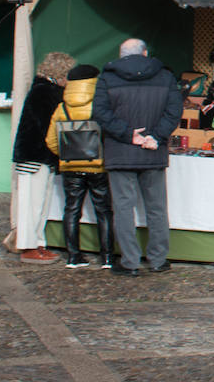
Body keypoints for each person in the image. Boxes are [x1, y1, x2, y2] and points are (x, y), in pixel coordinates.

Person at [92, 39, 183, 277]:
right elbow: (174, 111)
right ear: (145, 53)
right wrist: (156, 136)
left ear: (121, 55)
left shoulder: (107, 77)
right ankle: (158, 260)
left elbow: (100, 112)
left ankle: (130, 262)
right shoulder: (164, 76)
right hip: (153, 152)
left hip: (120, 152)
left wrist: (128, 135)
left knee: (123, 208)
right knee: (157, 208)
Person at [45, 65, 116, 269]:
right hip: (98, 167)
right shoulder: (101, 105)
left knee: (72, 209)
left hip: (69, 168)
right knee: (104, 211)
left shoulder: (62, 108)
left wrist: (68, 154)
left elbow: (50, 141)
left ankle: (73, 256)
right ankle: (108, 258)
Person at [11, 51, 76, 264]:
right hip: (35, 156)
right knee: (33, 204)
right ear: (60, 72)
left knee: (38, 203)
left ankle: (37, 243)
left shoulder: (43, 90)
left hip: (36, 156)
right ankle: (29, 246)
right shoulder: (44, 92)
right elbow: (44, 127)